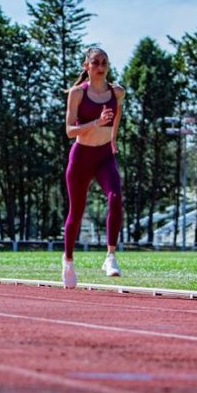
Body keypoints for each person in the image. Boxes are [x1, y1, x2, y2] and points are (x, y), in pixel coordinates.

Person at [62, 47, 124, 289]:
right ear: (86, 66)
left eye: (105, 63)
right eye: (96, 62)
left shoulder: (117, 92)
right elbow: (69, 131)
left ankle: (110, 257)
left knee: (115, 197)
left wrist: (113, 139)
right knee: (76, 214)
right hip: (81, 157)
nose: (101, 67)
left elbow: (117, 116)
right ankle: (68, 260)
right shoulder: (77, 93)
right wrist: (96, 123)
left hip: (104, 156)